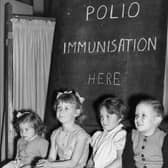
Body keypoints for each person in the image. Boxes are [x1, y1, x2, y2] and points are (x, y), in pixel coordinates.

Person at [37, 90, 90, 168]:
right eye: (59, 107)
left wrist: (50, 164)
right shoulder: (55, 134)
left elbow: (73, 163)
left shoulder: (81, 135)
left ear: (76, 112)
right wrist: (45, 164)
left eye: (66, 108)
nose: (61, 111)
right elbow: (51, 158)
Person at [123, 98, 168, 168]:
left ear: (157, 119)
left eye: (143, 115)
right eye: (136, 115)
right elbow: (127, 160)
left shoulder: (164, 138)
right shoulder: (131, 136)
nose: (137, 119)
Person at [87, 96, 127, 168]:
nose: (104, 120)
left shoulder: (120, 135)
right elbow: (91, 159)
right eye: (101, 117)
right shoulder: (98, 136)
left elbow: (120, 160)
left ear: (120, 117)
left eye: (108, 116)